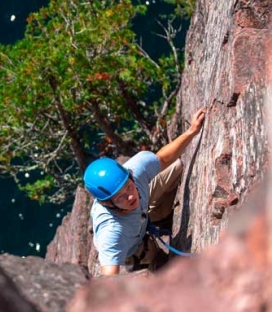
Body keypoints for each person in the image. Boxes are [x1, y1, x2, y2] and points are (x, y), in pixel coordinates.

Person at [83, 108, 207, 276]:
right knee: (164, 269)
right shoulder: (112, 232)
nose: (130, 196)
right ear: (109, 204)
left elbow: (163, 158)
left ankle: (160, 218)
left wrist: (192, 131)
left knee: (175, 166)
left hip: (143, 212)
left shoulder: (134, 170)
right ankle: (143, 258)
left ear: (130, 176)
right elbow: (108, 278)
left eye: (128, 186)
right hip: (133, 244)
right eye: (121, 197)